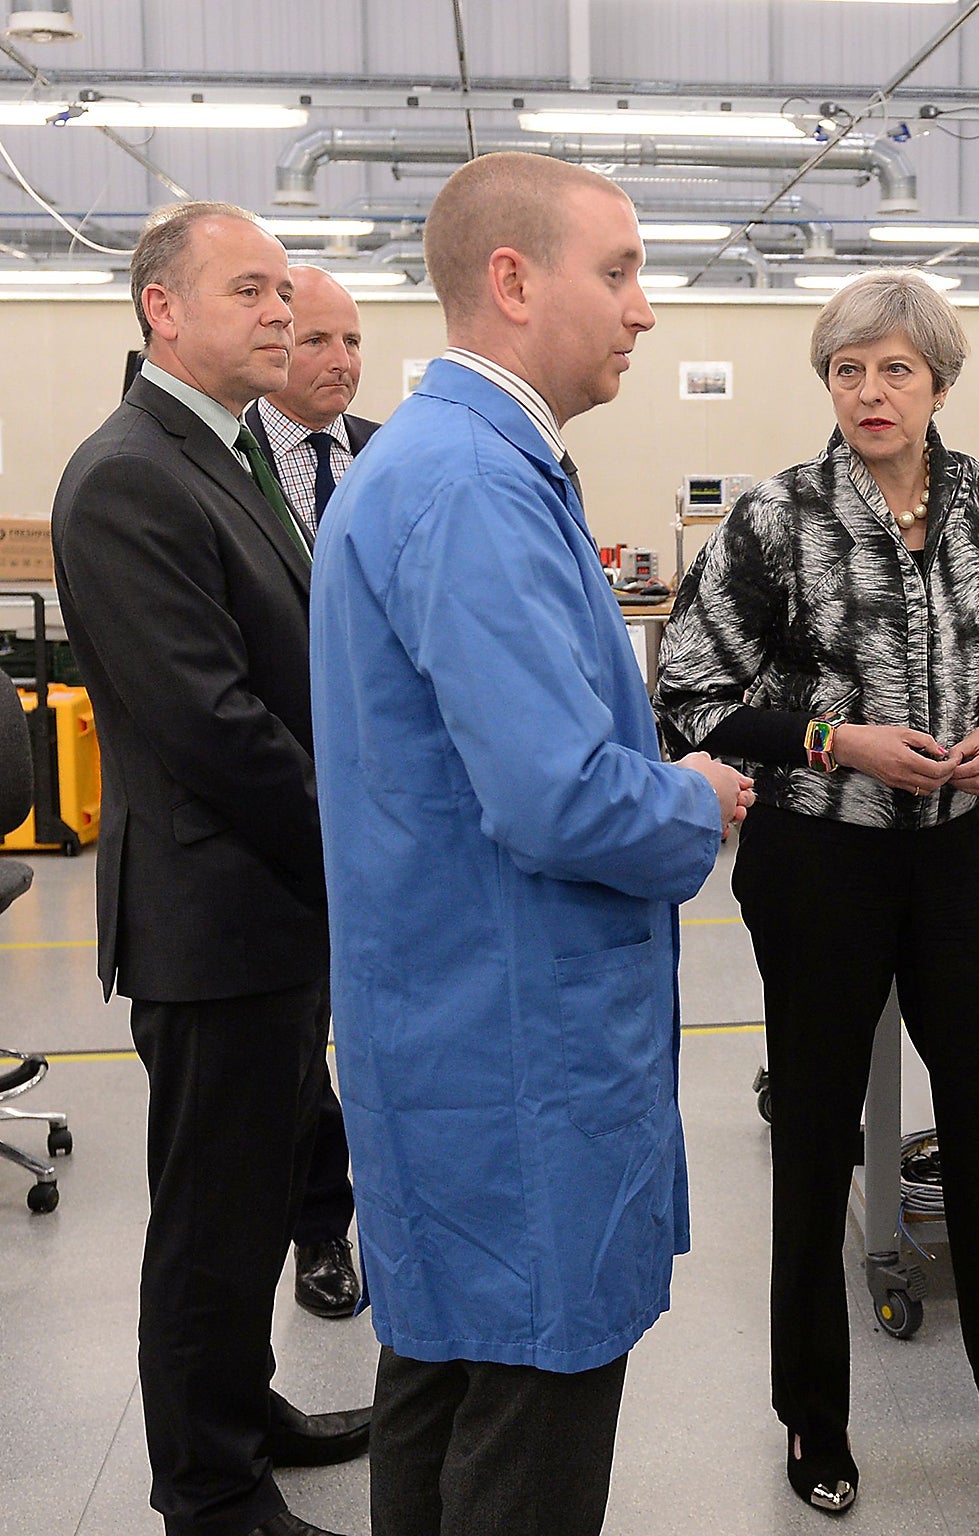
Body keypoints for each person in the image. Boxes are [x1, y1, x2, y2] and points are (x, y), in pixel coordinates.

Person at [308, 152, 751, 1536]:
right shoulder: (473, 492)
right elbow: (557, 797)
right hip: (515, 1053)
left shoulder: (458, 468)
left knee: (442, 1391)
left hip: (460, 1035)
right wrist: (698, 800)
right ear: (512, 282)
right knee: (524, 1428)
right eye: (616, 272)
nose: (643, 310)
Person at [655, 269, 979, 1517]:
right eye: (846, 369)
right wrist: (839, 741)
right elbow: (688, 689)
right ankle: (813, 1423)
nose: (868, 390)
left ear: (937, 380)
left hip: (955, 846)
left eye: (893, 368)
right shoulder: (774, 517)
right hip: (819, 857)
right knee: (817, 1134)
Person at [50, 201, 369, 1536]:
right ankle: (209, 1491)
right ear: (161, 310)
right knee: (209, 1224)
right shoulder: (130, 473)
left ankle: (246, 1415)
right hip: (215, 912)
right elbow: (212, 723)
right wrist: (363, 851)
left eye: (280, 296)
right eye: (250, 292)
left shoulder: (226, 452)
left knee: (253, 1202)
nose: (281, 316)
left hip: (267, 911)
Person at [243, 263, 377, 1321]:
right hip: (285, 806)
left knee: (394, 1023)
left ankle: (401, 1207)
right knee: (297, 1046)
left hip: (394, 806)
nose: (337, 362)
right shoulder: (235, 470)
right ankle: (319, 1228)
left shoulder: (388, 457)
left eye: (351, 343)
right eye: (315, 341)